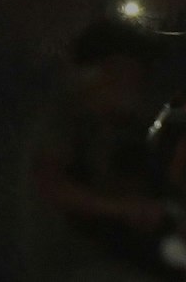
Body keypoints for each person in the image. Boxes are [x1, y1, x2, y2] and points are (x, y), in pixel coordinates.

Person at [22, 18, 173, 282]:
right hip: (72, 264)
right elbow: (50, 184)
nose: (138, 82)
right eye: (131, 71)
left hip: (114, 258)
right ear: (106, 71)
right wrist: (123, 209)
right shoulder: (66, 118)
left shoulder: (122, 129)